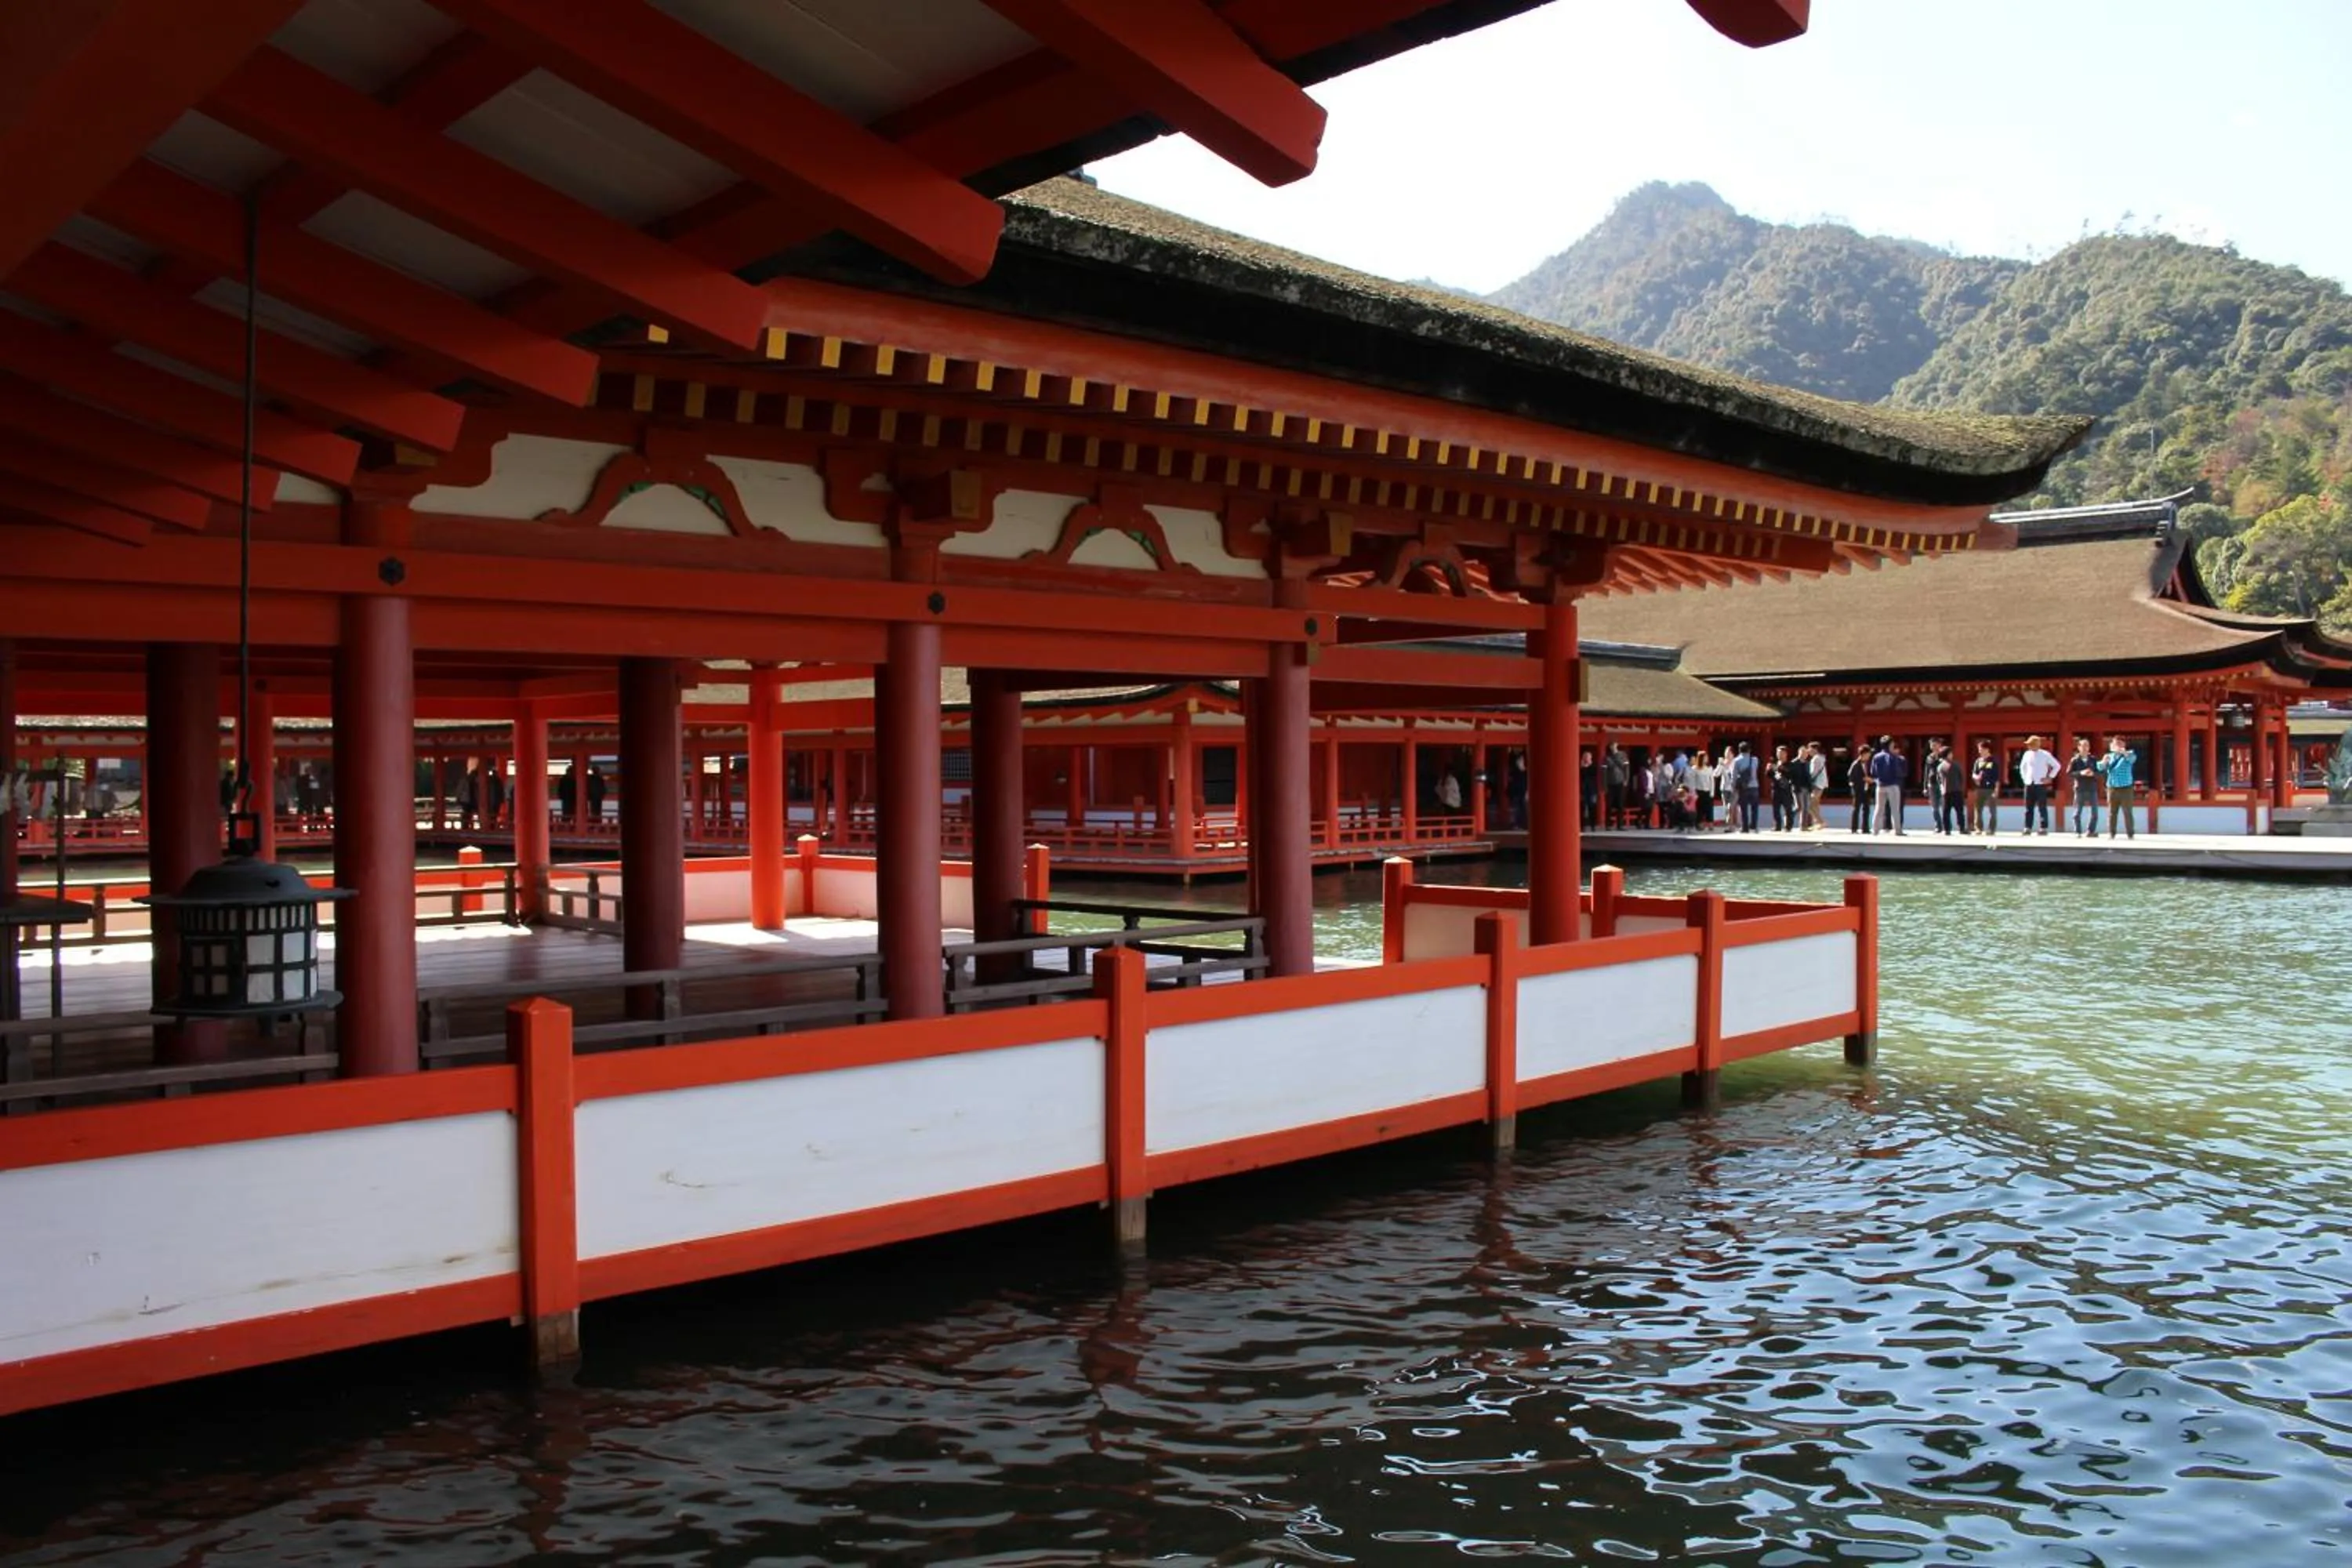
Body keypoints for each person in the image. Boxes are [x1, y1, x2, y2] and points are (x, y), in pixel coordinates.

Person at [2097, 735, 2140, 839]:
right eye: (2116, 743)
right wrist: (2103, 762)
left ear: (2124, 744)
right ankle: (2112, 833)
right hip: (2112, 787)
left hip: (2126, 787)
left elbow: (2132, 760)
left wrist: (2123, 752)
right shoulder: (2109, 756)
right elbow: (2100, 768)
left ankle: (2130, 833)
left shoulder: (2129, 754)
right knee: (2112, 812)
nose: (2118, 746)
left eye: (2120, 743)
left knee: (2127, 811)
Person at [2017, 734, 2060, 835]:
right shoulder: (2027, 754)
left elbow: (2057, 766)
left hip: (2040, 784)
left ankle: (2043, 828)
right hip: (2029, 783)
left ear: (2036, 744)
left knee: (2042, 807)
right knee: (2028, 808)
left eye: (2031, 744)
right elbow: (2022, 768)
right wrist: (2025, 779)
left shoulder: (2045, 754)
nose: (2029, 746)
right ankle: (2027, 827)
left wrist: (2050, 777)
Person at [1868, 735, 1910, 834]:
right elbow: (1898, 772)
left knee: (1879, 809)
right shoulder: (1893, 757)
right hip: (1892, 785)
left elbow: (1873, 772)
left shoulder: (1876, 757)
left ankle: (1875, 830)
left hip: (1880, 785)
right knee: (1895, 809)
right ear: (1890, 744)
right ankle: (1898, 830)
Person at [2067, 737, 2101, 837]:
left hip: (2092, 788)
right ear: (2079, 747)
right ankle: (2077, 831)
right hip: (2080, 788)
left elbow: (2099, 773)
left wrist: (2093, 774)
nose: (2086, 748)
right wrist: (2081, 773)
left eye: (2087, 746)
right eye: (2084, 745)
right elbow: (2069, 774)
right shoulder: (2075, 760)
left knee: (2095, 813)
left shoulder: (2093, 759)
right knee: (2077, 811)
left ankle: (2091, 831)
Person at [1969, 740, 2001, 836]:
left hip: (1991, 788)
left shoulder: (1994, 761)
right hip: (1980, 788)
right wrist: (1976, 778)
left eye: (1981, 749)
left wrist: (1996, 790)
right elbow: (1974, 774)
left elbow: (1997, 778)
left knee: (1992, 811)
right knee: (1978, 809)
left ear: (1987, 749)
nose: (1980, 751)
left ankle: (1991, 829)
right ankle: (1978, 828)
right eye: (1979, 750)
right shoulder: (1978, 761)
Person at [1923, 740, 1953, 834]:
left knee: (1944, 805)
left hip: (1942, 783)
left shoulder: (1944, 755)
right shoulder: (1929, 757)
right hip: (1931, 783)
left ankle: (1947, 826)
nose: (1933, 747)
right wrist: (1925, 786)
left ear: (1940, 745)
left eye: (1935, 745)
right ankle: (1938, 826)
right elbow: (1927, 772)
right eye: (1931, 745)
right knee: (1934, 806)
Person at [1730, 741, 1761, 833]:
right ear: (1749, 750)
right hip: (1754, 785)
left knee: (1744, 808)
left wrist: (1733, 787)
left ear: (1739, 750)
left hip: (1743, 787)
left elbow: (1734, 776)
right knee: (1754, 807)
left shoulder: (1736, 761)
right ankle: (1754, 825)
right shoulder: (1755, 760)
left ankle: (1745, 827)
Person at [1846, 748, 1872, 834]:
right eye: (1868, 754)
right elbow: (1851, 777)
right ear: (1864, 754)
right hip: (1858, 790)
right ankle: (1854, 828)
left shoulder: (1867, 764)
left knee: (1867, 809)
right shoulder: (1856, 764)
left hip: (1866, 789)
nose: (1869, 756)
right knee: (1856, 809)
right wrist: (1863, 779)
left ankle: (1865, 828)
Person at [1602, 745, 1629, 829]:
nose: (1612, 747)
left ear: (1617, 745)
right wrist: (1604, 785)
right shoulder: (1607, 758)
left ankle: (1620, 824)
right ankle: (1608, 824)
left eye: (1614, 745)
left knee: (1620, 804)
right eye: (1611, 746)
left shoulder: (1623, 755)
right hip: (1610, 783)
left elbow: (1626, 768)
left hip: (1620, 782)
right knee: (1609, 804)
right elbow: (1604, 772)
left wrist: (1626, 779)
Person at [1805, 742, 1830, 830]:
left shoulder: (1816, 759)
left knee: (1810, 805)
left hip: (1817, 784)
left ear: (1815, 749)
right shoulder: (1821, 758)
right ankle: (1817, 823)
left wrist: (1805, 779)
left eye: (1810, 749)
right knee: (1816, 804)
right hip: (1822, 784)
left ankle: (1821, 822)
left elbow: (1813, 773)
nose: (1808, 751)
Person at [1692, 750, 1716, 829]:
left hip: (1708, 790)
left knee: (1709, 808)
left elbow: (1712, 780)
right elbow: (1693, 781)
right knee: (1700, 808)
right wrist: (1694, 792)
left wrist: (1712, 792)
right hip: (1699, 791)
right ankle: (1700, 823)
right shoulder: (1695, 769)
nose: (1706, 759)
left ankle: (1710, 823)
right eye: (1705, 758)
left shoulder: (1709, 768)